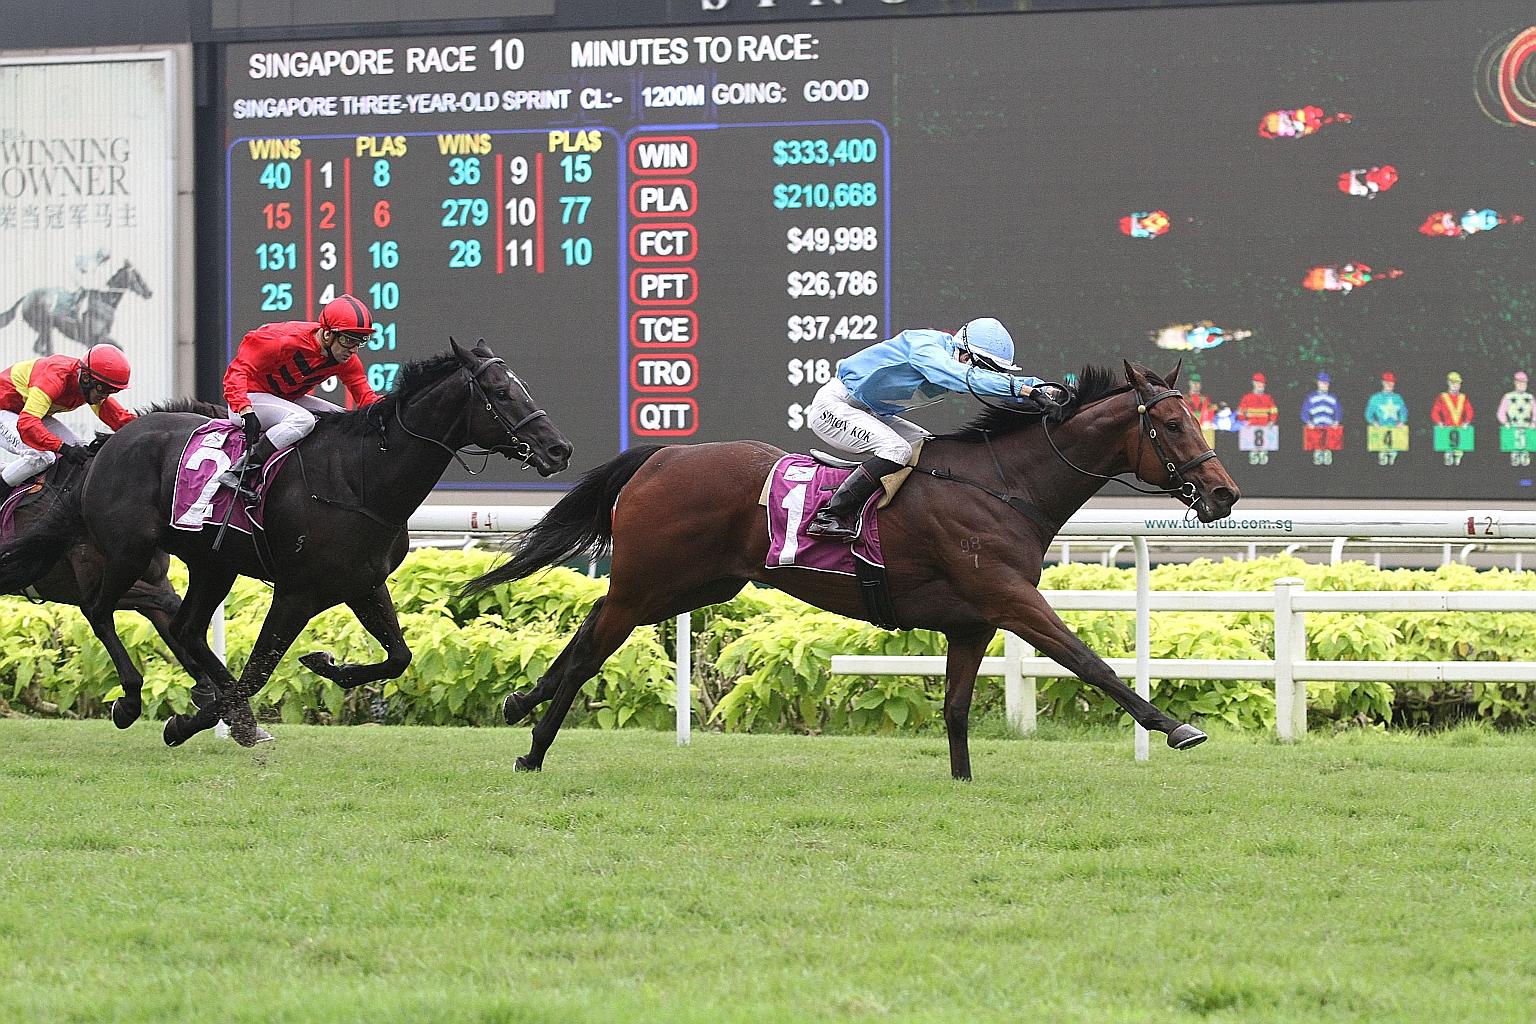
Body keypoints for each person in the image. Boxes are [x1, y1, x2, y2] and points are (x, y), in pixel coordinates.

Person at [803, 317, 1058, 541]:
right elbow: (963, 377)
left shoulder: (960, 357)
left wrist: (1042, 390)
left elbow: (994, 384)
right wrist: (1025, 389)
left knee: (930, 448)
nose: (993, 376)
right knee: (897, 450)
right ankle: (828, 516)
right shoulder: (927, 347)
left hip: (868, 412)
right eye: (991, 370)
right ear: (967, 357)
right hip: (834, 407)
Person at [216, 294, 382, 496]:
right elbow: (237, 372)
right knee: (303, 420)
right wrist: (244, 409)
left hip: (282, 400)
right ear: (328, 335)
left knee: (343, 419)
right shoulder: (282, 341)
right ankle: (239, 471)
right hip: (249, 398)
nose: (353, 350)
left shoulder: (346, 360)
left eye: (360, 341)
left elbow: (366, 398)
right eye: (348, 340)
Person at [0, 344, 135, 490]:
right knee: (42, 457)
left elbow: (120, 419)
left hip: (24, 412)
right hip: (7, 411)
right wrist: (63, 448)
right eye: (103, 389)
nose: (105, 396)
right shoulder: (55, 378)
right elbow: (27, 424)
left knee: (82, 449)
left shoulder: (89, 383)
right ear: (85, 378)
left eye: (111, 391)